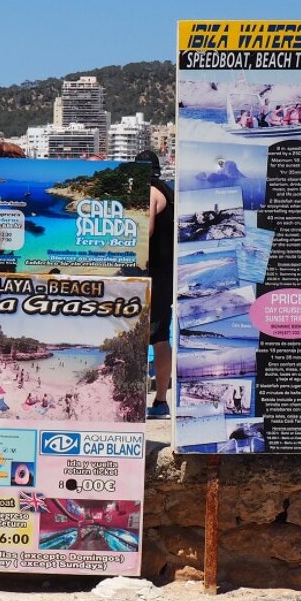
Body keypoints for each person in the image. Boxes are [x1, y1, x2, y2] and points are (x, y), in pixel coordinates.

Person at [138, 149, 174, 419]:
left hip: (153, 275)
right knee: (160, 338)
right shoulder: (169, 192)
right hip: (166, 274)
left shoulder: (149, 191)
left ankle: (140, 399)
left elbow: (145, 230)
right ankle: (160, 401)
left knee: (142, 338)